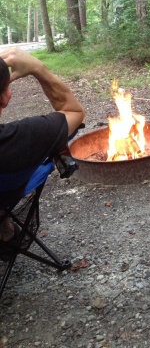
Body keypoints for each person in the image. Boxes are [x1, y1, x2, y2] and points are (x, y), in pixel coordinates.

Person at [0, 47, 86, 247]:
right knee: (47, 156)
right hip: (5, 191)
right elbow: (75, 112)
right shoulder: (23, 137)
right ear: (5, 97)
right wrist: (38, 68)